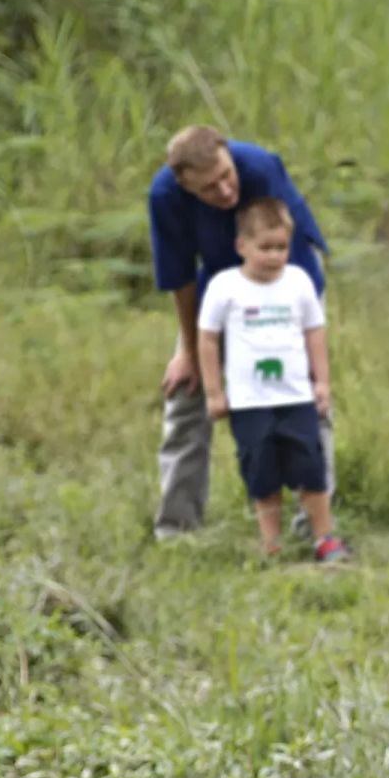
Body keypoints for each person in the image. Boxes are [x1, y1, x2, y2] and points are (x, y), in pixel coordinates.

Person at [148, 126, 332, 538]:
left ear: (228, 154)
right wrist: (189, 353)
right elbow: (180, 278)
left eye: (226, 175)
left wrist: (305, 356)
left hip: (287, 276)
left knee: (304, 391)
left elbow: (290, 266)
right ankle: (177, 528)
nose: (226, 191)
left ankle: (316, 527)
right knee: (185, 393)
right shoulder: (165, 197)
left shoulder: (260, 168)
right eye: (209, 188)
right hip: (220, 284)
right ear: (185, 185)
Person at [197, 197, 348, 564]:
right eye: (265, 248)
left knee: (311, 468)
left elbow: (315, 332)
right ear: (242, 246)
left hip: (295, 397)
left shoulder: (298, 281)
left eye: (282, 247)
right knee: (261, 473)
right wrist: (214, 392)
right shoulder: (224, 286)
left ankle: (324, 538)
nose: (274, 256)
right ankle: (271, 544)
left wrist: (322, 383)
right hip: (249, 402)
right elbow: (208, 339)